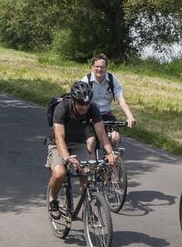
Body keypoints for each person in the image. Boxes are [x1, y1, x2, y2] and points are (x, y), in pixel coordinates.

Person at [46, 80, 118, 218]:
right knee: (59, 173)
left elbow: (101, 133)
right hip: (58, 144)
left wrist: (110, 152)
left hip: (78, 142)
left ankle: (87, 207)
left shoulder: (93, 108)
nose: (84, 107)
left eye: (87, 103)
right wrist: (67, 157)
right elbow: (59, 137)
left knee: (87, 172)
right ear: (73, 100)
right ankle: (53, 200)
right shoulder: (62, 108)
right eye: (80, 104)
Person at [82, 53, 135, 156]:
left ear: (106, 68)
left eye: (102, 67)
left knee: (115, 137)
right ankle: (93, 168)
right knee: (91, 142)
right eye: (97, 66)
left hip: (106, 114)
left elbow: (121, 100)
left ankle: (109, 162)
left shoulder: (112, 80)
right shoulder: (86, 81)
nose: (99, 69)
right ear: (92, 67)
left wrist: (130, 117)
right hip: (90, 116)